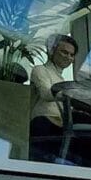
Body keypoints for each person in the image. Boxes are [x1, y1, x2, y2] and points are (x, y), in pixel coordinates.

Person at [29, 33, 79, 163]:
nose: (68, 57)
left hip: (61, 127)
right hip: (43, 124)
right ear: (52, 51)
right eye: (64, 52)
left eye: (72, 55)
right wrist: (71, 96)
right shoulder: (40, 70)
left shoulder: (62, 79)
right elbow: (46, 93)